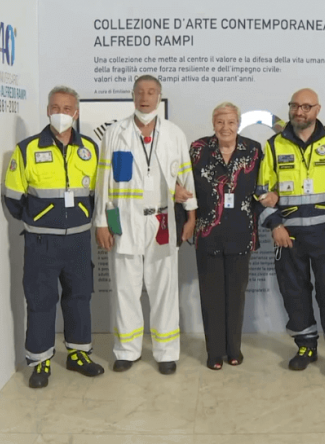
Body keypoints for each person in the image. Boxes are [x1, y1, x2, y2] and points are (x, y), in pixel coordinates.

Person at [94, 75, 197, 375]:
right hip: (122, 219)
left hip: (161, 220)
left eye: (151, 92)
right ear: (133, 95)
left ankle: (166, 352)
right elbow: (104, 183)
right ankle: (127, 349)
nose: (145, 97)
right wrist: (102, 221)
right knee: (125, 288)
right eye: (140, 91)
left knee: (164, 288)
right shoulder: (115, 133)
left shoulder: (174, 134)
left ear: (159, 96)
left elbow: (185, 178)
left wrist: (190, 213)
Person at [3, 85, 104, 388]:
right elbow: (13, 197)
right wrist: (39, 221)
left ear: (76, 112)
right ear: (48, 110)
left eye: (68, 108)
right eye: (56, 107)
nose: (62, 113)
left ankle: (78, 355)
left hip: (77, 241)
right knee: (41, 301)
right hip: (41, 243)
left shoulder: (90, 150)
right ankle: (40, 360)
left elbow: (96, 195)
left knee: (79, 298)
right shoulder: (27, 149)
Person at [257, 88, 325, 379]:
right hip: (289, 236)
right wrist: (274, 224)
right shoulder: (274, 145)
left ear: (318, 110)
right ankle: (306, 346)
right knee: (294, 291)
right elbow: (262, 190)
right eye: (295, 106)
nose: (300, 112)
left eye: (306, 107)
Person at [183, 102, 262, 370]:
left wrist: (268, 198)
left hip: (241, 232)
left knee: (236, 296)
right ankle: (214, 351)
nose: (225, 127)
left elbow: (261, 189)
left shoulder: (253, 149)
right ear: (213, 124)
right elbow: (185, 186)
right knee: (211, 296)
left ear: (238, 123)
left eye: (230, 122)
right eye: (220, 122)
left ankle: (233, 349)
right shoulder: (198, 149)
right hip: (208, 233)